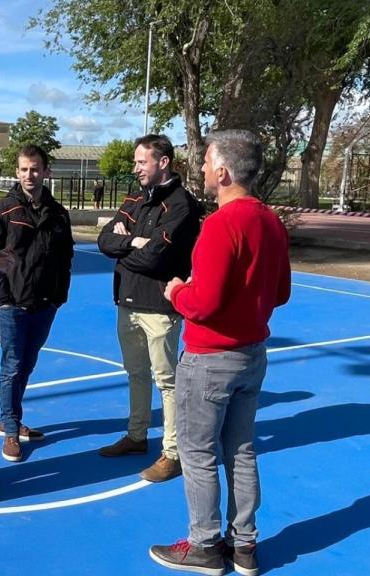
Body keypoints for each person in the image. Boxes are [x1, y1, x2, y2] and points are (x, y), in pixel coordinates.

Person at [148, 130, 291, 576]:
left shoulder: (220, 225)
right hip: (252, 355)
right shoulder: (270, 221)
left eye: (208, 163)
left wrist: (177, 292)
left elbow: (204, 303)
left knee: (197, 452)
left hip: (210, 359)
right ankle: (244, 544)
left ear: (224, 171)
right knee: (242, 449)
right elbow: (281, 292)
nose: (204, 170)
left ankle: (205, 544)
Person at [96, 134, 203, 483]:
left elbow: (157, 255)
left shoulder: (182, 206)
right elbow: (104, 241)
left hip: (159, 307)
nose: (136, 168)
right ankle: (136, 436)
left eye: (142, 162)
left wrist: (128, 248)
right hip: (127, 301)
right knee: (136, 373)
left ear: (163, 162)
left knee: (167, 381)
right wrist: (133, 241)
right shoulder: (135, 197)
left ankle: (172, 453)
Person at [0, 144, 74, 463]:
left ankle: (9, 417)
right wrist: (4, 295)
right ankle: (10, 431)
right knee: (12, 365)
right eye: (23, 169)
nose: (29, 174)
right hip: (12, 304)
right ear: (17, 172)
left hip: (45, 304)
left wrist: (59, 296)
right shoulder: (3, 210)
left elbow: (66, 259)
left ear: (46, 171)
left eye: (35, 168)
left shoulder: (59, 214)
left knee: (28, 363)